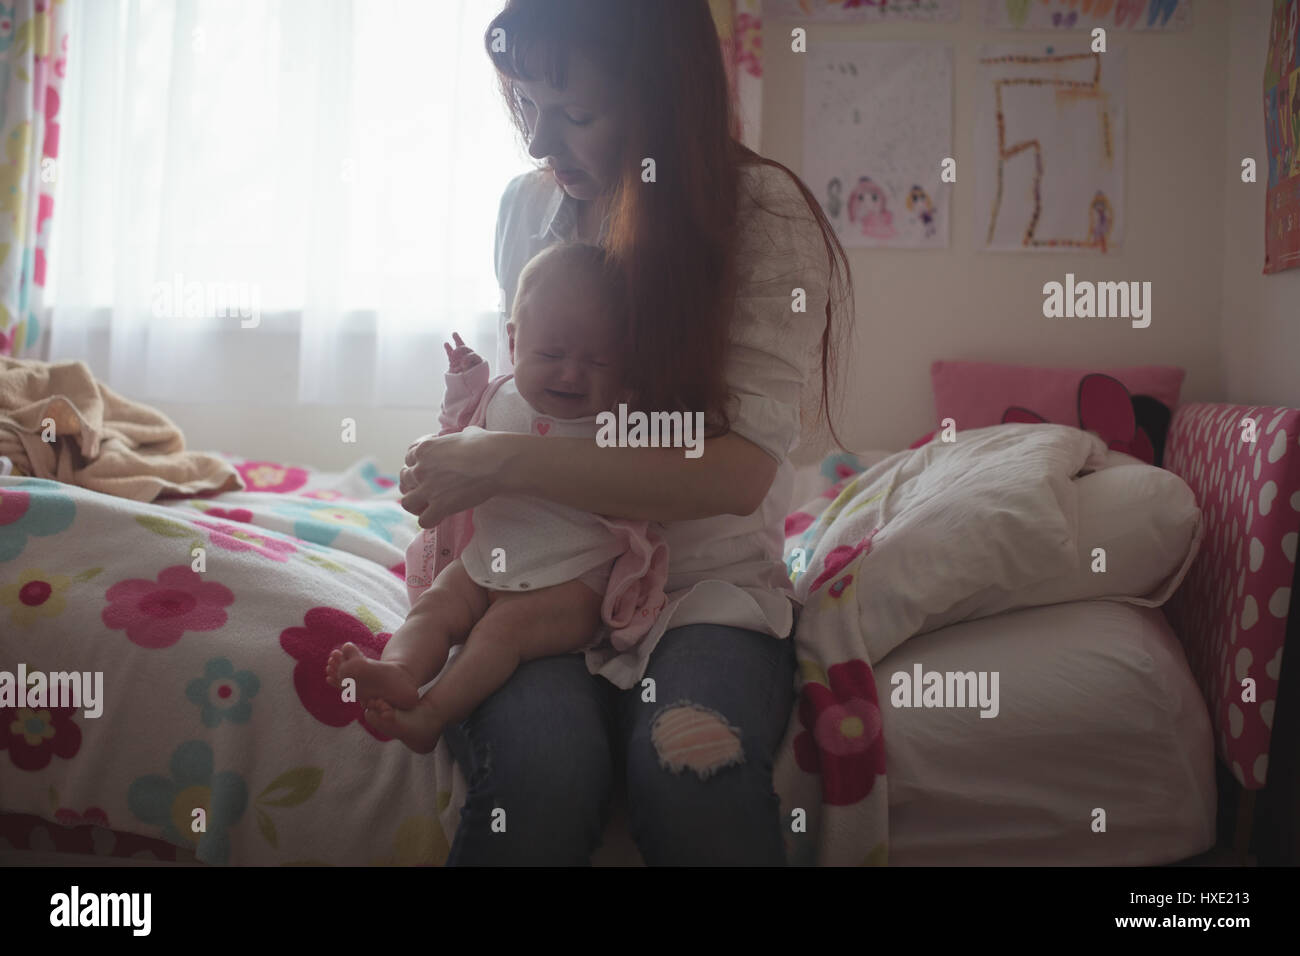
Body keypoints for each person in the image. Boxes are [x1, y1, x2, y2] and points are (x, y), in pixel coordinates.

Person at [398, 0, 852, 865]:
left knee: (690, 774)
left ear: (664, 105)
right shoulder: (526, 211)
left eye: (575, 114)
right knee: (541, 775)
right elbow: (539, 394)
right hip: (546, 576)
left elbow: (736, 476)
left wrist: (496, 460)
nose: (539, 143)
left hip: (703, 588)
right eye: (525, 103)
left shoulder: (762, 218)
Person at [327, 242, 667, 754]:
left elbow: (660, 471)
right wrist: (464, 386)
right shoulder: (500, 397)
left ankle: (432, 713)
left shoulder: (620, 420)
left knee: (500, 633)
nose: (572, 374)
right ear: (513, 341)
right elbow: (454, 438)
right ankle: (398, 670)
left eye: (598, 360)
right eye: (551, 355)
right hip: (485, 559)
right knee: (437, 606)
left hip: (572, 584)